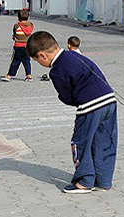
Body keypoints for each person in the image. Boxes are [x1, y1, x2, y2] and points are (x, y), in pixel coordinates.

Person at [26, 31, 118, 194]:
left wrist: (74, 100)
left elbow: (67, 97)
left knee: (80, 141)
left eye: (36, 60)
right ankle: (103, 181)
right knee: (104, 140)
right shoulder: (74, 55)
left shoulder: (56, 70)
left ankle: (84, 181)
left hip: (90, 106)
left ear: (42, 56)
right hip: (110, 100)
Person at [1, 10, 34, 82]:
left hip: (18, 46)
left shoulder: (17, 25)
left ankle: (9, 75)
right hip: (27, 46)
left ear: (18, 18)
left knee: (15, 61)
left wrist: (14, 37)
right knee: (27, 61)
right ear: (28, 17)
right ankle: (29, 75)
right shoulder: (31, 25)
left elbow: (14, 34)